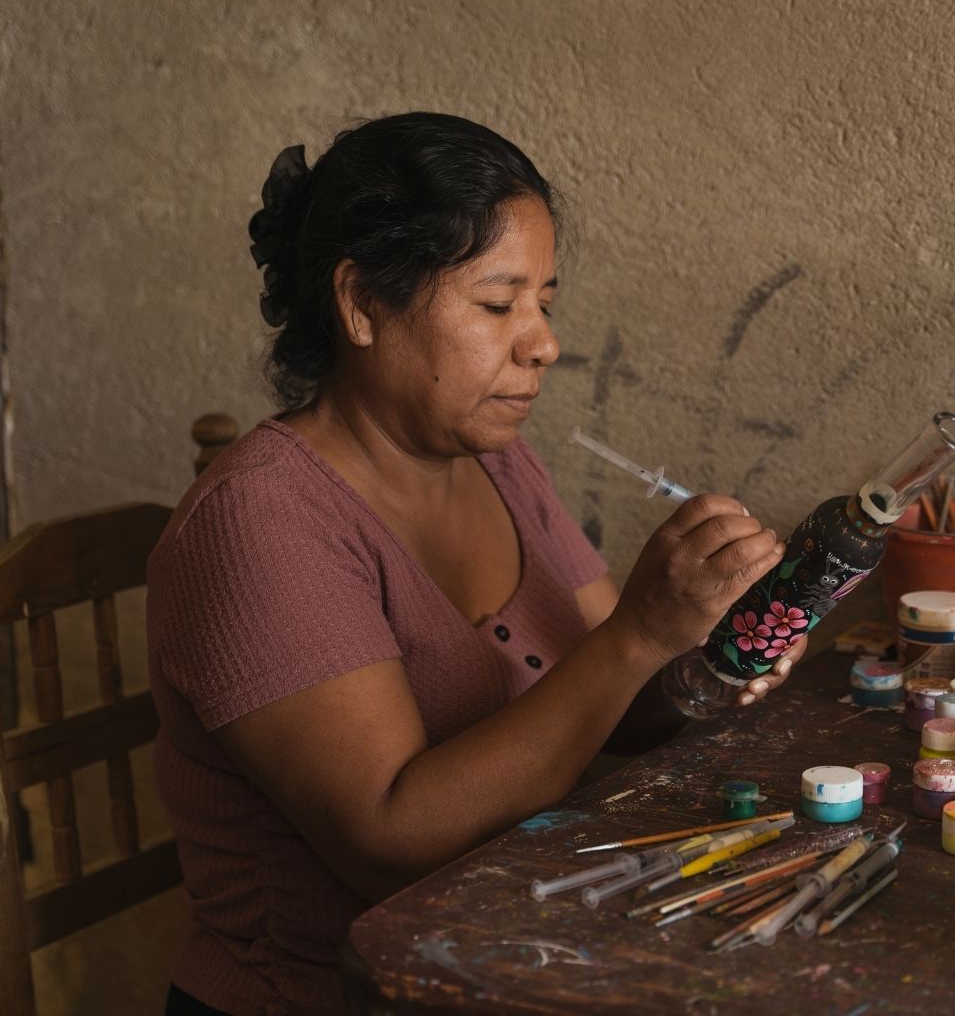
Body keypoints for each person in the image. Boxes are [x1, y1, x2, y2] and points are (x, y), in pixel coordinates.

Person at [147, 113, 803, 1016]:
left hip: (507, 961)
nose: (542, 343)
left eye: (545, 301)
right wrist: (638, 634)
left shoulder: (495, 461)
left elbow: (622, 710)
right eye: (498, 304)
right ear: (360, 304)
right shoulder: (261, 521)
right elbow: (391, 837)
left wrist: (711, 651)